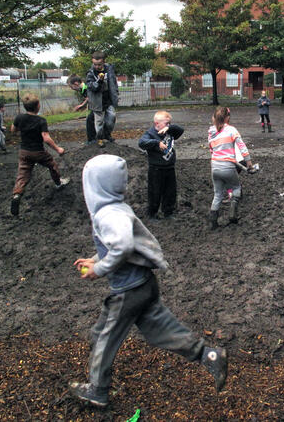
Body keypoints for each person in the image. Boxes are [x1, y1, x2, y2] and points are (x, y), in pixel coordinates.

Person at [68, 154, 228, 407]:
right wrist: (94, 258)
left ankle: (97, 391)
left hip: (127, 292)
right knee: (160, 330)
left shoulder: (107, 214)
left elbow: (122, 245)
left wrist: (99, 268)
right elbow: (116, 245)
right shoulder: (118, 208)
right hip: (143, 285)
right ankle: (208, 355)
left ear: (94, 186)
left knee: (103, 338)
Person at [10, 93, 69, 216]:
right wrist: (58, 149)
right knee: (52, 165)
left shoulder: (19, 118)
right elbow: (46, 138)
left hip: (24, 152)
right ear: (37, 106)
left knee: (23, 174)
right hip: (38, 152)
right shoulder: (41, 120)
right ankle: (58, 183)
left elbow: (13, 130)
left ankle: (17, 194)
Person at [208, 107, 255, 229]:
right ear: (227, 118)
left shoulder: (211, 131)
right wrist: (249, 163)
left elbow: (212, 150)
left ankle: (213, 221)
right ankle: (232, 214)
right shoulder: (231, 130)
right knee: (236, 187)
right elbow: (242, 147)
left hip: (215, 167)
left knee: (218, 194)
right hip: (228, 166)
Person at [138, 110, 184, 220]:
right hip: (156, 169)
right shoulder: (150, 134)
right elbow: (141, 143)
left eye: (169, 123)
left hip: (169, 167)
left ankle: (168, 212)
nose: (168, 125)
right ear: (156, 124)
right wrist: (156, 143)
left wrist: (169, 128)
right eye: (166, 123)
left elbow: (180, 130)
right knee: (155, 192)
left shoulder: (170, 132)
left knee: (170, 192)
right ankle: (152, 214)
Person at [86, 51, 118, 148]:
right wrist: (99, 81)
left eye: (99, 64)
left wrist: (116, 93)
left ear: (104, 62)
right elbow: (91, 87)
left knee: (111, 118)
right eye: (95, 64)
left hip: (108, 100)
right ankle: (99, 138)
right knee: (98, 122)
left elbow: (113, 82)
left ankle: (107, 134)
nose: (97, 66)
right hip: (97, 102)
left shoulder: (109, 69)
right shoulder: (91, 73)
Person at [67, 74, 95, 145]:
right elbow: (87, 98)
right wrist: (81, 105)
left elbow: (90, 97)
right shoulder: (83, 89)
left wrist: (82, 105)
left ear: (76, 83)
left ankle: (92, 140)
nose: (72, 88)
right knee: (90, 120)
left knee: (90, 120)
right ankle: (93, 139)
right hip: (96, 107)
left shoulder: (86, 86)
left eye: (71, 86)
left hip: (101, 106)